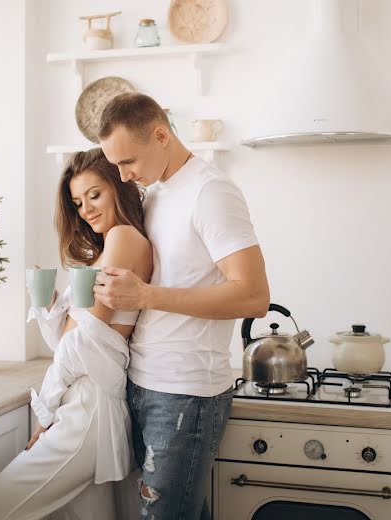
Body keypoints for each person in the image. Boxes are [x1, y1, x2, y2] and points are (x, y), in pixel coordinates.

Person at [95, 93, 270, 520]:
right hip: (143, 382)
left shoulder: (211, 192)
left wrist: (147, 295)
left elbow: (253, 296)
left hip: (186, 393)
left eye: (127, 161)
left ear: (160, 135)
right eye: (114, 165)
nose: (122, 174)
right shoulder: (154, 194)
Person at [0, 148, 152, 520]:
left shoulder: (124, 238)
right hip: (84, 400)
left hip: (86, 407)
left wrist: (46, 412)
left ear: (118, 186)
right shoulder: (108, 249)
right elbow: (71, 342)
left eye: (94, 195)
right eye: (78, 202)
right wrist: (51, 310)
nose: (86, 210)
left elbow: (82, 340)